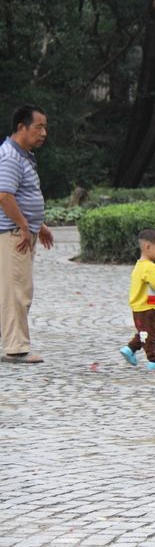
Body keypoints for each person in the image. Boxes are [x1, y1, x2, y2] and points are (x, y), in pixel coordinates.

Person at [0, 104, 53, 365]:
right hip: (12, 234)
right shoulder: (10, 156)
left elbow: (21, 194)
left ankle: (13, 342)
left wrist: (37, 225)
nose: (43, 133)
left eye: (45, 127)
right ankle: (16, 348)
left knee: (16, 289)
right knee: (17, 291)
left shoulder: (24, 155)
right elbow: (4, 195)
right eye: (38, 127)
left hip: (21, 230)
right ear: (21, 127)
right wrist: (23, 225)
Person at [119, 228, 155, 371]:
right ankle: (154, 360)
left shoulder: (139, 265)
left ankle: (130, 349)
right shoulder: (150, 267)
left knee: (144, 332)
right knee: (152, 333)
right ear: (148, 247)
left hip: (137, 307)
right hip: (147, 307)